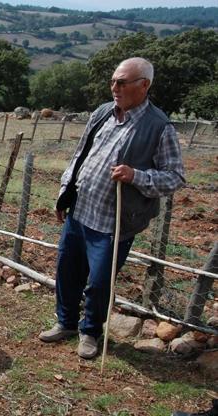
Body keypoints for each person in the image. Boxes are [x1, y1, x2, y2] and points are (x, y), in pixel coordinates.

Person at [39, 57, 185, 359]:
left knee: (99, 282)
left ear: (143, 85)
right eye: (113, 81)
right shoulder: (103, 113)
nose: (114, 88)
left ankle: (90, 332)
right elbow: (80, 155)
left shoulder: (159, 127)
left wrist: (136, 176)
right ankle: (65, 323)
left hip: (113, 223)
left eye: (122, 82)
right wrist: (65, 193)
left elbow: (175, 177)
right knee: (67, 272)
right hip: (80, 212)